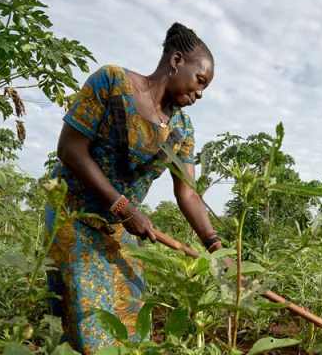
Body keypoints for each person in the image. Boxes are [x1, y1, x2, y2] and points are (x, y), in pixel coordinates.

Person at [43, 22, 231, 354]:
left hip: (124, 231)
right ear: (176, 61)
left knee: (132, 324)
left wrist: (218, 249)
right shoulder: (112, 82)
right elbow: (70, 149)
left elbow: (187, 192)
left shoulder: (182, 128)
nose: (201, 93)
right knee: (90, 324)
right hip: (74, 219)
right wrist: (124, 207)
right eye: (200, 81)